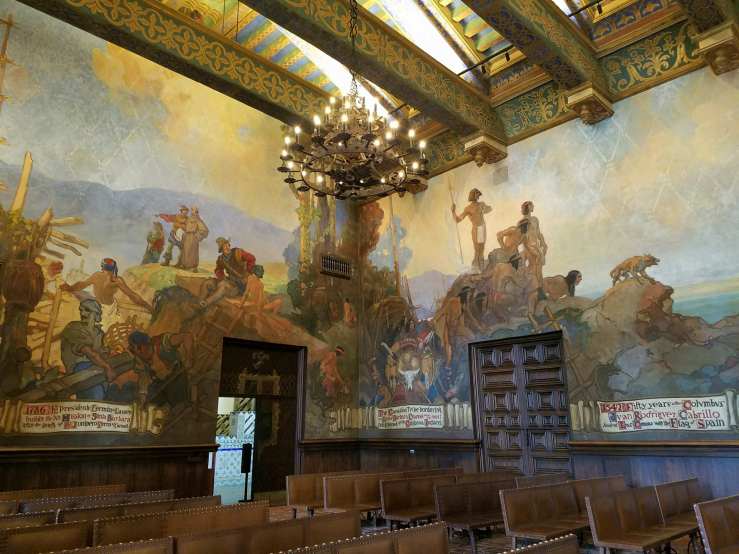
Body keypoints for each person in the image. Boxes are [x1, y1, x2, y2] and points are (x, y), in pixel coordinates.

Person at [62, 258, 153, 328]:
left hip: (96, 308)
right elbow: (132, 295)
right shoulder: (117, 280)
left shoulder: (96, 275)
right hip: (108, 310)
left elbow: (81, 285)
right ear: (114, 268)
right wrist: (147, 306)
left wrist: (70, 288)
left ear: (102, 267)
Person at [60, 298, 115, 400]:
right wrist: (106, 366)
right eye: (81, 310)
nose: (82, 313)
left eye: (87, 310)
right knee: (95, 395)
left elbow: (101, 353)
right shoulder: (73, 328)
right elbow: (88, 352)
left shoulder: (99, 333)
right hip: (79, 369)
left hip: (97, 368)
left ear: (96, 315)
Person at [127, 330, 192, 409]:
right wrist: (142, 396)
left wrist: (189, 357)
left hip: (177, 376)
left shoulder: (162, 343)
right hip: (160, 384)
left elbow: (186, 336)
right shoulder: (139, 360)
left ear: (147, 344)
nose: (138, 352)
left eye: (139, 348)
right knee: (150, 406)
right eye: (134, 350)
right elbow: (143, 378)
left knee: (179, 404)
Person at [200, 237, 256, 308]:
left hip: (240, 286)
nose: (227, 247)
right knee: (207, 282)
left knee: (223, 286)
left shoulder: (238, 252)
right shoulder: (221, 259)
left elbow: (252, 258)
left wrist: (248, 271)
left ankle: (206, 303)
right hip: (230, 281)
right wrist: (222, 278)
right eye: (224, 246)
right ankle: (199, 302)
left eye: (227, 245)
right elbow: (218, 270)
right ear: (221, 249)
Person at [452, 188, 492, 272]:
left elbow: (489, 209)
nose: (478, 195)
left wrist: (484, 209)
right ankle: (475, 269)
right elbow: (458, 220)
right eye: (476, 194)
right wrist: (453, 211)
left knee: (481, 249)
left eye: (478, 194)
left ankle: (481, 269)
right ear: (473, 195)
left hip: (482, 228)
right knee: (477, 250)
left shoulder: (481, 204)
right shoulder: (468, 208)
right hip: (475, 229)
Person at [518, 201, 547, 294]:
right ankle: (536, 291)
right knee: (534, 269)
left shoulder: (535, 219)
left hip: (537, 246)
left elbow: (538, 233)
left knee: (539, 269)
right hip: (529, 247)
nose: (533, 206)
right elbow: (523, 238)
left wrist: (543, 243)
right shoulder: (522, 222)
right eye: (532, 205)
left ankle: (540, 291)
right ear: (528, 207)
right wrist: (529, 249)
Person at [176, 206, 209, 270]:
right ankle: (184, 265)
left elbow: (204, 230)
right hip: (186, 236)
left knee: (193, 252)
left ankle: (194, 267)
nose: (193, 212)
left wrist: (197, 236)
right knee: (185, 251)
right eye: (192, 210)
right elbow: (184, 226)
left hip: (193, 237)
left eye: (194, 211)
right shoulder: (188, 219)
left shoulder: (198, 219)